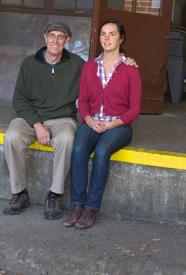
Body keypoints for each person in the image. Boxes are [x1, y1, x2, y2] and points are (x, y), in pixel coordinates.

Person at [63, 19, 141, 229]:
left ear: (121, 39)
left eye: (112, 34)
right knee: (78, 149)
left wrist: (110, 125)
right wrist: (88, 120)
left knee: (101, 151)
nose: (107, 38)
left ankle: (91, 208)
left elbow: (134, 110)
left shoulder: (130, 69)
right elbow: (83, 100)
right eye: (103, 34)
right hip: (92, 121)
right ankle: (77, 205)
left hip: (118, 126)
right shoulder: (90, 67)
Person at [3, 22, 85, 219]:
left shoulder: (78, 65)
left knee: (67, 140)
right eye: (51, 36)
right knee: (11, 136)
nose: (55, 40)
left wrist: (126, 61)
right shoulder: (29, 64)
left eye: (60, 36)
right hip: (32, 118)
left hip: (63, 119)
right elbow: (19, 100)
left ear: (67, 41)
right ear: (45, 38)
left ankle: (54, 195)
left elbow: (101, 73)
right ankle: (19, 193)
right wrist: (37, 125)